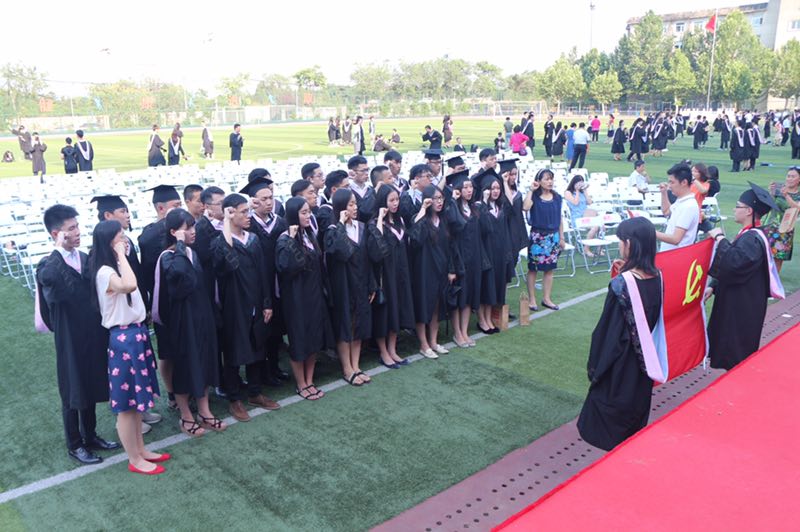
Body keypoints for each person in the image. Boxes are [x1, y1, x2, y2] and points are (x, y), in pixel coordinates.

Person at [36, 205, 119, 465]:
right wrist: (59, 250)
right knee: (72, 388)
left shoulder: (83, 257)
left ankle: (90, 435)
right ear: (56, 234)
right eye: (71, 229)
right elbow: (54, 290)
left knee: (90, 382)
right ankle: (75, 444)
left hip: (92, 332)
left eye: (77, 226)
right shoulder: (49, 264)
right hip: (69, 335)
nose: (78, 232)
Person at [577, 217, 663, 451]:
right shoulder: (658, 277)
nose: (619, 245)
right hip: (643, 366)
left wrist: (595, 369)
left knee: (609, 430)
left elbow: (608, 333)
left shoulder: (623, 285)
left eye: (621, 241)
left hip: (619, 366)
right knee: (632, 429)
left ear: (630, 244)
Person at [89, 220, 165, 474]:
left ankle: (141, 450)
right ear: (108, 242)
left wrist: (121, 257)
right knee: (126, 404)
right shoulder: (105, 272)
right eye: (119, 236)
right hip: (124, 339)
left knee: (136, 402)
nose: (124, 240)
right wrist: (121, 255)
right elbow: (129, 286)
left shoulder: (116, 266)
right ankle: (134, 458)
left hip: (136, 334)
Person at [153, 209, 226, 438]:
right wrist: (180, 245)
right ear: (173, 232)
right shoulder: (168, 257)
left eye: (193, 226)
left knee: (205, 363)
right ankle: (186, 416)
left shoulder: (191, 252)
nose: (193, 232)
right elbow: (182, 280)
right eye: (187, 228)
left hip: (201, 317)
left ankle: (205, 411)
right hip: (182, 322)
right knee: (186, 368)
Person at [212, 194, 279, 422]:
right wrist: (226, 222)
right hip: (233, 306)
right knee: (233, 352)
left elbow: (263, 272)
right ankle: (234, 399)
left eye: (247, 211)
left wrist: (266, 302)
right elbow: (224, 264)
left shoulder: (253, 239)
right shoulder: (220, 242)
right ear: (231, 214)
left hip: (256, 303)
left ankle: (255, 392)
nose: (248, 216)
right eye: (243, 212)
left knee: (257, 347)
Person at [705, 183, 785, 371]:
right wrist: (713, 285)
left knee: (736, 355)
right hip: (740, 301)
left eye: (738, 206)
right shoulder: (750, 235)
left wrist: (720, 238)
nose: (734, 209)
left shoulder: (752, 239)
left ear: (749, 211)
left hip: (742, 307)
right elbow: (734, 266)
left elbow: (734, 263)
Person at [275, 197, 334, 399]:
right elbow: (285, 267)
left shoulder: (309, 235)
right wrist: (291, 241)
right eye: (303, 213)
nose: (308, 216)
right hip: (296, 298)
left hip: (314, 294)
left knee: (314, 337)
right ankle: (301, 384)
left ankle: (309, 380)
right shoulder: (284, 239)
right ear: (293, 215)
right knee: (299, 339)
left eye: (309, 212)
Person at [240, 176, 291, 386]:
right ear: (253, 201)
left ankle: (275, 367)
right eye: (264, 199)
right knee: (262, 331)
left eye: (271, 197)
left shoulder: (280, 222)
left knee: (277, 329)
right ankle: (261, 373)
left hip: (278, 282)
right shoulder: (248, 226)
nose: (269, 202)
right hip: (258, 285)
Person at [324, 189, 376, 386]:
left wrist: (371, 284)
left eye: (355, 204)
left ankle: (356, 365)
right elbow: (341, 252)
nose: (355, 208)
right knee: (346, 325)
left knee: (359, 324)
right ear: (340, 207)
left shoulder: (361, 227)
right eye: (351, 204)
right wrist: (340, 224)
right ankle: (347, 368)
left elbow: (367, 258)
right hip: (343, 284)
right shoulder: (332, 230)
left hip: (361, 281)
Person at [138, 185, 182, 403]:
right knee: (167, 351)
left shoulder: (182, 228)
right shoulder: (148, 236)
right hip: (163, 301)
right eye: (175, 205)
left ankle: (184, 390)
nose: (180, 209)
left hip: (181, 299)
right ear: (161, 208)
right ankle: (173, 392)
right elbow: (147, 274)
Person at [409, 185, 460, 359]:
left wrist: (451, 269)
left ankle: (433, 341)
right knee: (424, 306)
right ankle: (423, 344)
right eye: (435, 198)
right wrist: (423, 209)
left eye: (441, 198)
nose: (439, 202)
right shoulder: (420, 219)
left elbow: (450, 246)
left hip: (441, 269)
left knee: (437, 306)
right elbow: (414, 239)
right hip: (424, 269)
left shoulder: (443, 220)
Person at [366, 186, 415, 364]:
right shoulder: (374, 223)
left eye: (397, 200)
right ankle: (383, 352)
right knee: (385, 313)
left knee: (397, 309)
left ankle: (392, 349)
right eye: (391, 200)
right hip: (384, 275)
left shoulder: (399, 220)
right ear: (382, 202)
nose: (395, 204)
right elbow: (375, 251)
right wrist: (380, 218)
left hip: (400, 273)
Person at [444, 170, 484, 347]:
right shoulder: (452, 208)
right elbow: (453, 225)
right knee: (459, 296)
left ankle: (465, 331)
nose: (469, 190)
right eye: (465, 187)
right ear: (458, 189)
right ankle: (457, 333)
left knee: (469, 296)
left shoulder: (474, 208)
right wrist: (453, 200)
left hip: (473, 257)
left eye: (471, 187)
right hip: (458, 258)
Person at [475, 168, 513, 334]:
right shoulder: (478, 207)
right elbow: (482, 228)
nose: (495, 191)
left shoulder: (500, 207)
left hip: (499, 253)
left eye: (498, 188)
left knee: (495, 286)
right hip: (486, 253)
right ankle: (482, 320)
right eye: (492, 188)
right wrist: (483, 202)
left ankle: (489, 318)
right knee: (486, 286)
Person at [523, 169, 564, 311]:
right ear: (539, 181)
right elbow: (525, 207)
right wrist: (531, 190)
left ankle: (546, 298)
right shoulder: (534, 197)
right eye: (546, 179)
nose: (550, 182)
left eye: (551, 179)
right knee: (533, 269)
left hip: (553, 237)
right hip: (538, 237)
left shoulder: (557, 197)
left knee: (550, 269)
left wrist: (561, 237)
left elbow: (560, 218)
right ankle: (532, 299)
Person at [656, 164, 699, 251]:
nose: (669, 185)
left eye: (672, 182)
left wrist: (649, 231)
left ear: (684, 182)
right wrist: (664, 193)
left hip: (677, 256)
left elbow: (676, 239)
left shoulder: (689, 206)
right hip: (670, 254)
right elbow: (666, 211)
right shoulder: (681, 200)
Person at [765, 167, 800, 271]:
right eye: (788, 176)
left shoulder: (797, 195)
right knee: (764, 254)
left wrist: (786, 196)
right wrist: (771, 193)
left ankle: (774, 280)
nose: (789, 179)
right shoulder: (779, 189)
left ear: (799, 179)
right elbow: (768, 205)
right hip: (770, 227)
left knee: (778, 258)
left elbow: (797, 209)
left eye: (793, 176)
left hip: (785, 230)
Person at [565, 175, 600, 257]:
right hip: (577, 218)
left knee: (601, 225)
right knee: (595, 227)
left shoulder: (582, 192)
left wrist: (585, 190)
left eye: (582, 182)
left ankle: (599, 248)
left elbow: (590, 202)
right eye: (579, 183)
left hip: (586, 215)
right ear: (574, 183)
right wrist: (577, 191)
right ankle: (586, 249)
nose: (580, 184)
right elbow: (575, 203)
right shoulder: (568, 192)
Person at [348, 155, 377, 223]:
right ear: (352, 172)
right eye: (363, 171)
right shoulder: (348, 191)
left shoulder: (371, 189)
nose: (366, 173)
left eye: (367, 170)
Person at [691, 163, 712, 232]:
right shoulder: (689, 184)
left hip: (696, 215)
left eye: (695, 171)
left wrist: (694, 180)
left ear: (701, 173)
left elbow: (703, 191)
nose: (692, 173)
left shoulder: (705, 184)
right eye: (692, 171)